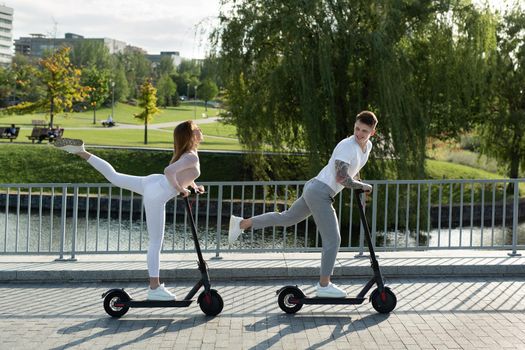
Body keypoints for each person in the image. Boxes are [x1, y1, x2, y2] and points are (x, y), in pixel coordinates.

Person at [228, 110, 378, 298]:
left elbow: (352, 169)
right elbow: (341, 177)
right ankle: (324, 285)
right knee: (333, 239)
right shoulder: (347, 146)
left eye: (364, 131)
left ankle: (241, 223)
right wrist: (361, 186)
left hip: (316, 188)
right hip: (320, 192)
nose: (359, 134)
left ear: (372, 132)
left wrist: (358, 185)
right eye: (357, 128)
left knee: (286, 218)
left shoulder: (368, 146)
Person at [53, 120, 205, 301]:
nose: (200, 131)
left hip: (152, 183)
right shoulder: (191, 156)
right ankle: (154, 288)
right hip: (157, 193)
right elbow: (169, 171)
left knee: (114, 176)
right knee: (155, 243)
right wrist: (181, 190)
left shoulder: (190, 153)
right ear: (191, 135)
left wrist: (194, 186)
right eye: (197, 129)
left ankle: (81, 151)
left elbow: (183, 174)